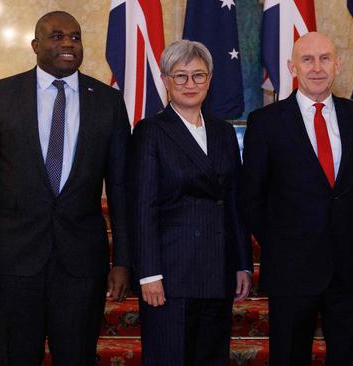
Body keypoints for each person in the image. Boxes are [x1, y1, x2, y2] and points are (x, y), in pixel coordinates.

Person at [0, 11, 130, 365]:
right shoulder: (0, 96)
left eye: (76, 37)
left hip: (82, 266)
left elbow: (121, 188)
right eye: (57, 36)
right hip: (13, 263)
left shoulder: (108, 102)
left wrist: (124, 260)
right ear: (35, 45)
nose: (68, 43)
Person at [240, 32, 353, 365]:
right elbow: (252, 196)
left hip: (349, 268)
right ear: (292, 66)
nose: (317, 67)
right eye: (307, 59)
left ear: (338, 64)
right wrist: (282, 244)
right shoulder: (266, 122)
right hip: (291, 270)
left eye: (325, 58)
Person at [129, 39, 253, 366]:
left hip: (219, 270)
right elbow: (142, 206)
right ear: (166, 81)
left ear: (210, 80)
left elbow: (233, 203)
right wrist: (148, 273)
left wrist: (242, 262)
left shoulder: (224, 132)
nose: (190, 84)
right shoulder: (150, 131)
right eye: (180, 76)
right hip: (170, 273)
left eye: (198, 75)